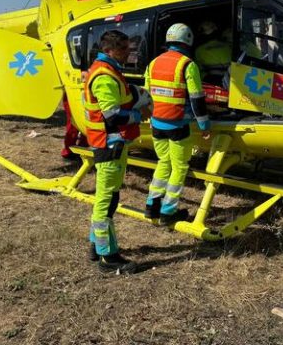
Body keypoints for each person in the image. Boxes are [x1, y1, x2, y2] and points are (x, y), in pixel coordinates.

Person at [83, 30, 148, 274]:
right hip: (110, 143)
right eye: (124, 49)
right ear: (110, 50)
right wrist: (139, 115)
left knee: (106, 197)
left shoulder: (107, 70)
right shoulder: (104, 75)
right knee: (107, 201)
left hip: (109, 143)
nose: (129, 52)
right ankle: (108, 258)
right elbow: (112, 114)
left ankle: (96, 247)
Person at [144, 23, 211, 224]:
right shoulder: (187, 65)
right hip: (178, 125)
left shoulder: (153, 63)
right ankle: (168, 211)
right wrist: (204, 125)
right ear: (188, 41)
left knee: (163, 163)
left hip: (157, 123)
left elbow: (146, 95)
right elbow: (197, 98)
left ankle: (152, 205)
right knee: (179, 167)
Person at [194, 21, 232, 86]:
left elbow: (198, 71)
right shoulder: (228, 46)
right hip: (231, 81)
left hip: (212, 84)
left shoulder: (199, 50)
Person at [61, 91, 88, 160]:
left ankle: (84, 147)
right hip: (72, 94)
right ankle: (68, 151)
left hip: (85, 93)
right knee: (73, 123)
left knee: (87, 123)